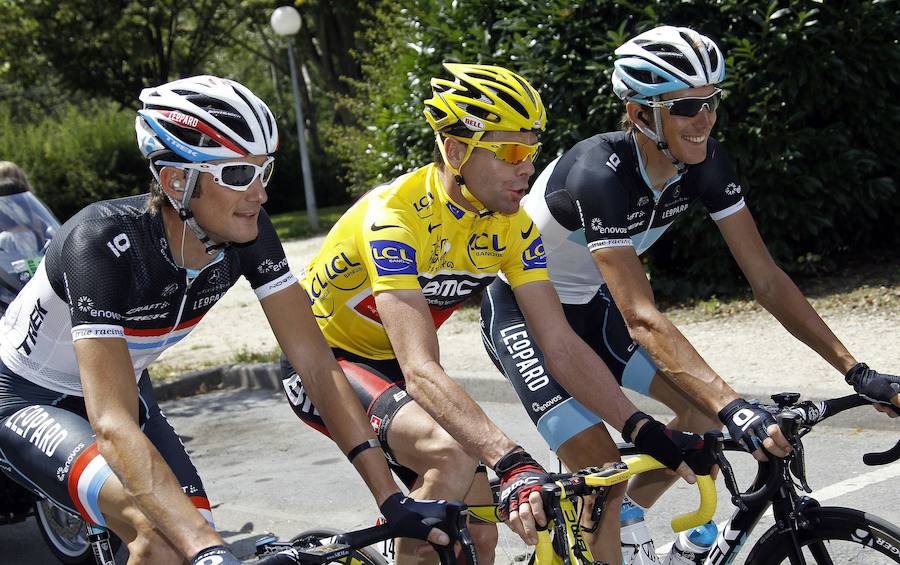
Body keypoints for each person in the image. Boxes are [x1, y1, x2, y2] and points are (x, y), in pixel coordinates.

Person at [481, 25, 900, 564]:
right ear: (639, 115)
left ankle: (623, 518)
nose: (705, 119)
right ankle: (608, 521)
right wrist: (736, 407)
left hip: (591, 310)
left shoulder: (704, 163)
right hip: (527, 319)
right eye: (685, 107)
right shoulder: (597, 174)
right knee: (600, 467)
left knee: (698, 418)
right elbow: (641, 316)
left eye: (711, 101)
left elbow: (766, 279)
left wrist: (856, 371)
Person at [0, 76, 449, 565]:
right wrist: (206, 549)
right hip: (27, 396)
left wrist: (390, 499)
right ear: (176, 181)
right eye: (237, 174)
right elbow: (109, 422)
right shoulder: (100, 242)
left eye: (264, 171)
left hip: (122, 386)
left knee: (192, 534)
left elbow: (317, 367)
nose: (259, 193)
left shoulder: (248, 233)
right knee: (164, 537)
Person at [280, 62, 707, 565]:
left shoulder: (513, 227)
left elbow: (561, 345)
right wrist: (511, 459)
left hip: (395, 367)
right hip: (327, 362)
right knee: (451, 457)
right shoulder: (393, 220)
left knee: (479, 537)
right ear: (457, 150)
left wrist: (640, 428)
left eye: (532, 150)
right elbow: (421, 369)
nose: (527, 166)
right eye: (511, 151)